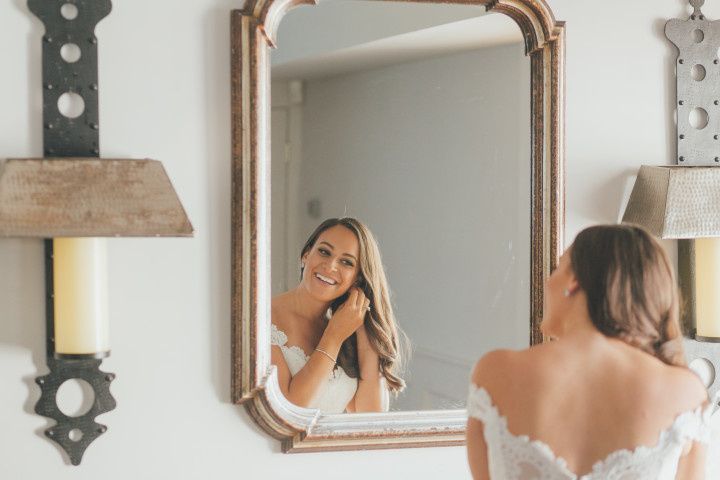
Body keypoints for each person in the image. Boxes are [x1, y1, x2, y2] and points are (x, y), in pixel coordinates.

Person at [467, 224, 715, 479]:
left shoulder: (495, 372)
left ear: (573, 280)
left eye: (557, 268)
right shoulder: (686, 393)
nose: (547, 282)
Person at [271, 217, 405, 414]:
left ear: (357, 278)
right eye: (324, 252)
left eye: (346, 262)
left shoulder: (345, 327)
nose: (331, 266)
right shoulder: (264, 319)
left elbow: (371, 419)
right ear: (306, 255)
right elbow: (289, 412)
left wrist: (363, 327)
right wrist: (334, 336)